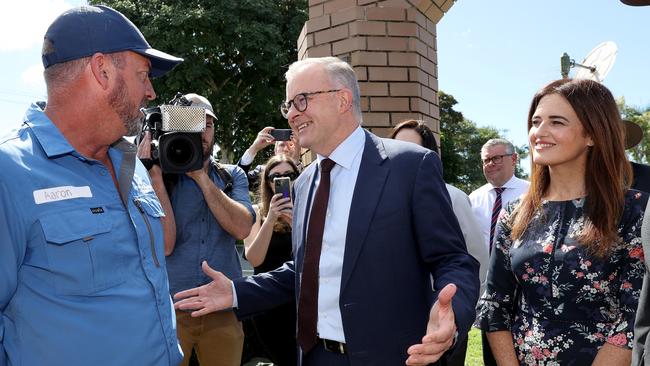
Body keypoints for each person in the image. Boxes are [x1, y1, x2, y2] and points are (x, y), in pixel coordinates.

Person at [174, 56, 480, 366]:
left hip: (393, 357)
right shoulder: (305, 182)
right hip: (314, 356)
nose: (292, 114)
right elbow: (306, 270)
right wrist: (237, 292)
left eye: (301, 101)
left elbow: (452, 259)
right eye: (288, 105)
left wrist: (452, 313)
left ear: (343, 100)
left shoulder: (411, 166)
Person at [0, 5, 184, 366]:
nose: (150, 92)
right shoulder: (10, 173)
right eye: (143, 74)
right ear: (102, 71)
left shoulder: (132, 164)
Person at [477, 78, 647, 365]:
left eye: (556, 122)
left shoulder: (636, 210)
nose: (539, 132)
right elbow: (496, 304)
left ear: (592, 134)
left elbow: (634, 315)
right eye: (535, 121)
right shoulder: (516, 213)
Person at [140, 93, 255, 366]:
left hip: (223, 308)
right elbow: (165, 244)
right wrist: (155, 175)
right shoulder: (157, 176)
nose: (201, 131)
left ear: (215, 131)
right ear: (176, 127)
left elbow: (242, 228)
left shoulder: (231, 175)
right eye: (191, 123)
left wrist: (200, 175)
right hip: (171, 309)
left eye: (208, 124)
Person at [390, 119, 489, 366]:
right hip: (398, 317)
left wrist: (460, 309)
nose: (401, 154)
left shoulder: (452, 196)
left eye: (411, 148)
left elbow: (475, 257)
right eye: (395, 146)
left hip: (443, 315)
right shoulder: (382, 201)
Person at [468, 138, 529, 365]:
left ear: (514, 159)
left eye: (496, 158)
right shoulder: (474, 198)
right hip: (489, 291)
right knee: (491, 355)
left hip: (523, 290)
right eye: (486, 160)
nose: (490, 164)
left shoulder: (533, 193)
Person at [243, 154, 300, 366]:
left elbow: (320, 252)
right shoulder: (257, 212)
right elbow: (255, 259)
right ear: (267, 182)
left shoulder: (308, 208)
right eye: (275, 176)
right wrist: (271, 219)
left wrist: (296, 222)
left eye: (289, 175)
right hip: (269, 302)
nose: (282, 180)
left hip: (302, 300)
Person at [238, 126, 303, 191]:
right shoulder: (262, 172)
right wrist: (254, 148)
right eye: (282, 145)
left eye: (291, 145)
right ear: (275, 150)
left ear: (299, 150)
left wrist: (294, 162)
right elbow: (237, 181)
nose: (286, 149)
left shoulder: (307, 172)